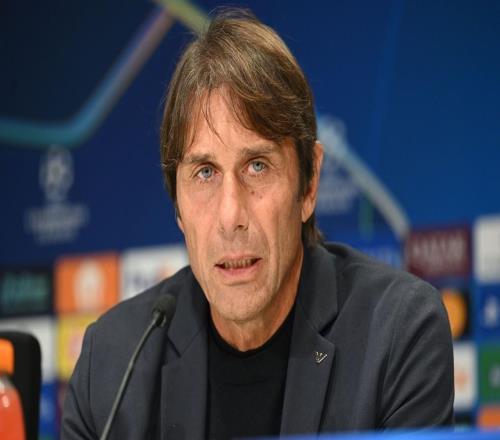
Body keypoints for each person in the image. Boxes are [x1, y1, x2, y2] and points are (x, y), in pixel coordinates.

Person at [61, 9, 454, 440]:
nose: (231, 216)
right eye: (205, 173)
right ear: (177, 206)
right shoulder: (113, 366)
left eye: (257, 166)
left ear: (309, 185)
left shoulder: (397, 333)